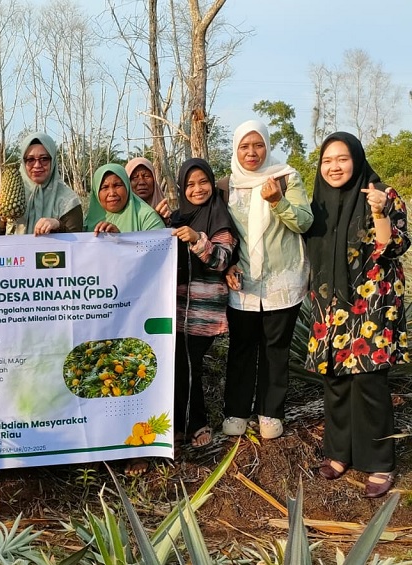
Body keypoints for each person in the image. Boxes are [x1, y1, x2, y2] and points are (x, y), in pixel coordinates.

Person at [305, 132, 409, 498]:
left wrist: (380, 210)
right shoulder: (318, 201)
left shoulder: (381, 192)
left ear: (357, 159)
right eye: (327, 160)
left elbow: (393, 246)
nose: (334, 167)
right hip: (330, 303)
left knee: (368, 382)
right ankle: (338, 453)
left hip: (371, 303)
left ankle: (379, 461)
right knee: (335, 379)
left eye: (342, 158)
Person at [222, 120, 313, 440]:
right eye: (244, 147)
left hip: (281, 280)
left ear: (268, 145)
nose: (251, 153)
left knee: (276, 348)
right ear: (236, 149)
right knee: (242, 347)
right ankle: (236, 409)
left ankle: (271, 412)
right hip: (243, 280)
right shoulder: (226, 185)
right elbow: (223, 233)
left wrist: (278, 201)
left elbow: (304, 222)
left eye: (257, 145)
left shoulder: (287, 177)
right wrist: (227, 268)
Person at [169, 158, 237, 453]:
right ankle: (181, 425)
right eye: (190, 184)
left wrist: (199, 240)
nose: (197, 189)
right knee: (178, 366)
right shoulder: (175, 218)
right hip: (175, 309)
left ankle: (196, 423)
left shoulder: (220, 218)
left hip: (204, 311)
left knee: (189, 365)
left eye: (203, 182)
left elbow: (223, 259)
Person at [0, 132, 82, 235]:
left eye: (44, 159)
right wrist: (2, 219)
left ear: (53, 161)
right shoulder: (8, 194)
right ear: (23, 161)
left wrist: (58, 225)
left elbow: (77, 242)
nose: (37, 165)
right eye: (30, 159)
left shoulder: (68, 200)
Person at [83, 163, 164, 234]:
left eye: (117, 185)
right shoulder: (88, 223)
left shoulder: (148, 217)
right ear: (96, 192)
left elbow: (159, 248)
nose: (112, 193)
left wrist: (121, 239)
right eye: (105, 187)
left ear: (127, 187)